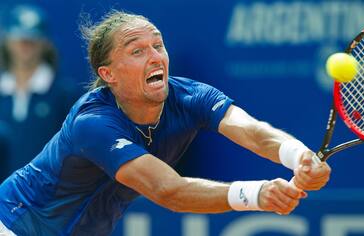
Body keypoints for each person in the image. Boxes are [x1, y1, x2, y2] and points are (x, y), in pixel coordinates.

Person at [0, 10, 331, 235]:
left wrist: (297, 156)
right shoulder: (93, 123)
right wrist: (258, 194)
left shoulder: (191, 97)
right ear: (108, 74)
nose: (155, 56)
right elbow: (168, 190)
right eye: (137, 51)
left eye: (157, 45)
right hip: (13, 224)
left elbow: (254, 132)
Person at [0, 4, 81, 182]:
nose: (24, 46)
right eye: (19, 39)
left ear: (45, 44)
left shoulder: (64, 95)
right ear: (7, 41)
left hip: (48, 201)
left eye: (31, 41)